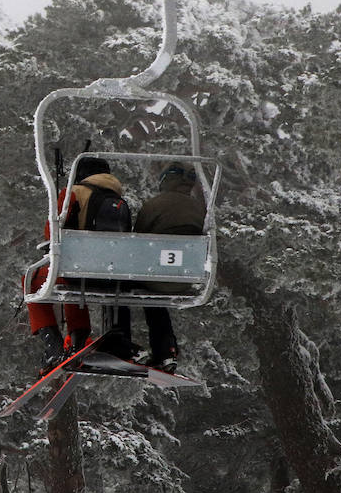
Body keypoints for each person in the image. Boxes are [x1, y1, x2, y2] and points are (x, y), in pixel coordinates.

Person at [26, 156, 137, 373]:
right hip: (113, 275)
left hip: (80, 272)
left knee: (33, 280)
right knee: (71, 277)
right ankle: (78, 338)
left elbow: (52, 233)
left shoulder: (74, 193)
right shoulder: (118, 199)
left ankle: (54, 345)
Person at [133, 162, 206, 372]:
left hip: (157, 276)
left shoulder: (155, 205)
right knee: (157, 298)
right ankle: (167, 351)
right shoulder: (199, 208)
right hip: (187, 277)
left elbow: (138, 239)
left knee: (140, 291)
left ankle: (120, 341)